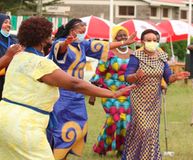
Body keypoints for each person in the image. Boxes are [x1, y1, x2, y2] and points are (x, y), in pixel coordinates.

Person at [0, 16, 134, 160]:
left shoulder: (16, 56)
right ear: (45, 38)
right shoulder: (43, 64)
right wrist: (113, 94)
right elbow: (75, 84)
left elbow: (99, 46)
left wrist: (7, 56)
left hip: (4, 119)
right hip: (26, 126)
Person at [46, 19, 136, 160]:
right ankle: (55, 155)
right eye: (81, 28)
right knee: (59, 127)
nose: (84, 31)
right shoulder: (60, 42)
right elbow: (60, 49)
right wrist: (66, 43)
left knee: (80, 126)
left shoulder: (82, 45)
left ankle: (62, 155)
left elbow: (104, 46)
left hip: (77, 93)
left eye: (85, 29)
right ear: (72, 29)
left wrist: (125, 43)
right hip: (61, 93)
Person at [122, 29, 190, 160]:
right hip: (139, 98)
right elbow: (127, 77)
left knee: (151, 131)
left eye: (155, 40)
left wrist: (176, 76)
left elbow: (168, 77)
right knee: (143, 128)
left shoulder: (162, 56)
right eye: (149, 40)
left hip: (154, 99)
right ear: (142, 42)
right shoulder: (136, 56)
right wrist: (135, 75)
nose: (152, 42)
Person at [89, 26, 133, 156]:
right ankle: (101, 147)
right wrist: (93, 94)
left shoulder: (133, 53)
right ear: (115, 38)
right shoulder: (108, 52)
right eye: (119, 36)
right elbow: (99, 73)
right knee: (114, 119)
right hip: (109, 92)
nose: (123, 38)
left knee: (125, 122)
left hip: (127, 93)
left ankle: (122, 149)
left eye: (125, 35)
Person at [0, 13, 17, 100]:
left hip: (11, 81)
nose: (9, 25)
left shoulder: (14, 40)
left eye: (9, 23)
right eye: (5, 22)